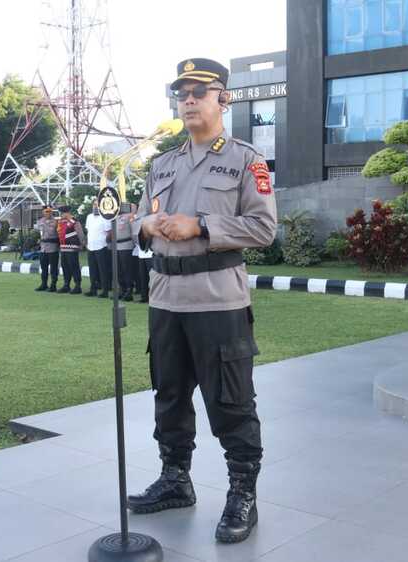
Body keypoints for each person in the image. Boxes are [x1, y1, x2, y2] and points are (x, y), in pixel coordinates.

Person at [126, 58, 277, 544]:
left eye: (199, 92)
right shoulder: (162, 164)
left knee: (231, 402)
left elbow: (263, 228)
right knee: (169, 396)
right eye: (182, 93)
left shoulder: (246, 160)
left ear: (223, 99)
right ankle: (176, 479)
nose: (188, 100)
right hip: (165, 297)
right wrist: (145, 225)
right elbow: (139, 221)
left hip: (217, 300)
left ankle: (243, 494)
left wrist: (202, 226)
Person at [85, 200, 113, 297]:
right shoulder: (89, 217)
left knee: (103, 270)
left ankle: (105, 290)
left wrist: (105, 241)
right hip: (90, 247)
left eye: (97, 205)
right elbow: (88, 231)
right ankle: (93, 289)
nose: (95, 207)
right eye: (94, 205)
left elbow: (110, 232)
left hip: (101, 246)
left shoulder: (105, 217)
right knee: (92, 269)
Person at [56, 206, 84, 294]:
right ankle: (66, 285)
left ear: (67, 213)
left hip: (72, 248)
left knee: (74, 266)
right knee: (65, 267)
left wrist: (82, 243)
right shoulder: (61, 222)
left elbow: (80, 233)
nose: (61, 215)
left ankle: (77, 286)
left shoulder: (74, 221)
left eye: (62, 213)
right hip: (63, 248)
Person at [34, 206, 60, 292]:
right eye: (46, 211)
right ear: (43, 212)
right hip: (43, 248)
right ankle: (44, 284)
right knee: (43, 268)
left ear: (52, 212)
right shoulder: (40, 221)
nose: (48, 213)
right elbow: (38, 232)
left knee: (53, 268)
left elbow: (53, 233)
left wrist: (45, 225)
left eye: (49, 211)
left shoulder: (56, 221)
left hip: (53, 248)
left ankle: (53, 285)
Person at [115, 203, 136, 302]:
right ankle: (122, 290)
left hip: (126, 245)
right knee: (119, 270)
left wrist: (134, 243)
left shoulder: (130, 217)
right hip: (117, 246)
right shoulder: (116, 217)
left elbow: (133, 230)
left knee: (127, 269)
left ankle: (129, 290)